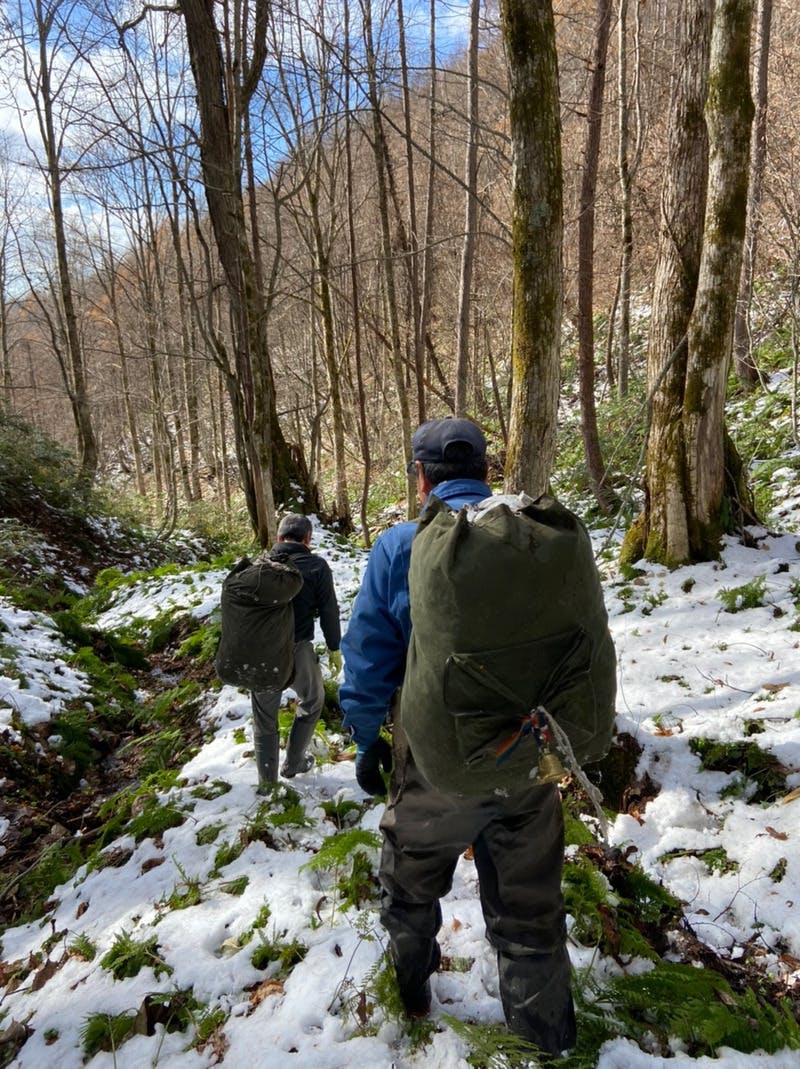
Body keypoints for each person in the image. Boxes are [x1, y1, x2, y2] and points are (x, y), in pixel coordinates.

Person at [339, 417, 576, 1055]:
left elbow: (368, 660)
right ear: (486, 471)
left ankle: (411, 998)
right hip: (529, 755)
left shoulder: (399, 547)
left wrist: (367, 742)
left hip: (436, 758)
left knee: (408, 884)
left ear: (421, 478)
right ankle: (546, 1044)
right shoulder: (530, 538)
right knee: (530, 908)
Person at [251, 513, 341, 786]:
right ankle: (293, 763)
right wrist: (334, 647)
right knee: (313, 701)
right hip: (298, 649)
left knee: (264, 717)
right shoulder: (316, 566)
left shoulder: (258, 566)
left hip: (262, 652)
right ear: (308, 540)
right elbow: (328, 610)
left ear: (278, 539)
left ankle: (267, 783)